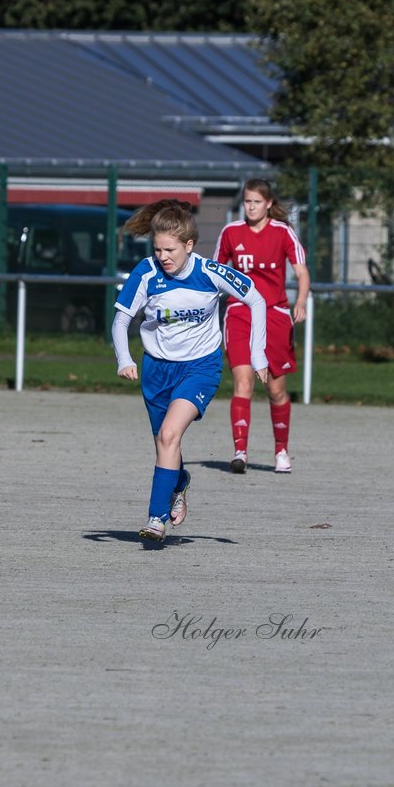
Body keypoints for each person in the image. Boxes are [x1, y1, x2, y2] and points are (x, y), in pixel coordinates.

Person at [113, 200, 268, 542]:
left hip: (201, 367)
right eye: (158, 249)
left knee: (170, 435)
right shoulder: (147, 272)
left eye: (170, 250)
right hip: (157, 369)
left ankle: (156, 519)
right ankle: (179, 483)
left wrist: (258, 355)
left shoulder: (209, 272)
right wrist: (125, 359)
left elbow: (256, 298)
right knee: (163, 443)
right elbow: (122, 318)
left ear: (189, 245)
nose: (163, 256)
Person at [214, 179, 311, 474]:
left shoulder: (283, 233)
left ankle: (281, 450)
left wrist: (301, 301)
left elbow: (302, 272)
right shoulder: (231, 233)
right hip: (240, 313)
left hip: (274, 315)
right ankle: (240, 451)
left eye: (257, 202)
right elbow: (214, 272)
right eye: (247, 201)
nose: (251, 207)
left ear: (269, 204)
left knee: (275, 390)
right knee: (243, 381)